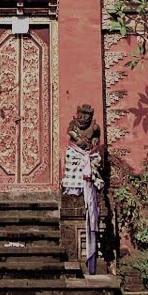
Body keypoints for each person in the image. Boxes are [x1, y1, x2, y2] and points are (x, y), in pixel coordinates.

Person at [61, 104, 103, 274]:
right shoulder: (73, 125)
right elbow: (71, 132)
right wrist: (77, 138)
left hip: (88, 156)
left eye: (87, 115)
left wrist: (93, 141)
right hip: (77, 153)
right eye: (81, 114)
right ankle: (73, 188)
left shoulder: (94, 127)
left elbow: (97, 137)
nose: (83, 118)